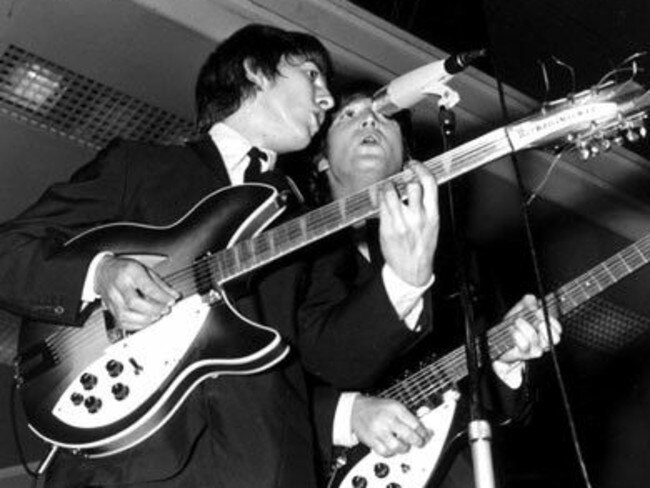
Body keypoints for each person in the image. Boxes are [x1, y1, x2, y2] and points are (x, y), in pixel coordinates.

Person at [0, 24, 434, 488]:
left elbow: (337, 359)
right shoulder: (143, 168)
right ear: (256, 72)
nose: (326, 99)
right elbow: (9, 252)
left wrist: (405, 279)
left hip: (265, 469)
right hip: (126, 467)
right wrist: (101, 273)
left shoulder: (307, 227)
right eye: (312, 75)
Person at [294, 82, 562, 486]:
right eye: (348, 115)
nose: (370, 119)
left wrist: (506, 360)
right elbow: (259, 385)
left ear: (407, 161)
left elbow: (482, 408)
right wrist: (347, 413)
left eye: (385, 116)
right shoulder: (287, 255)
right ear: (320, 162)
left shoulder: (456, 263)